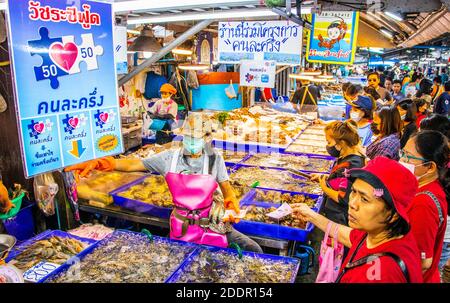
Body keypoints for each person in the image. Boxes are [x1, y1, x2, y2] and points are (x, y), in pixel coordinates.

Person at [65, 113, 263, 253]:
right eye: (188, 137)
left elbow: (227, 191)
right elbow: (134, 165)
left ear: (207, 138)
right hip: (182, 228)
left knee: (252, 249)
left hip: (213, 225)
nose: (192, 142)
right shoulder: (169, 158)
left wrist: (231, 203)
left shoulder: (214, 159)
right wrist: (104, 162)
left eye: (196, 138)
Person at [293, 157, 423, 283]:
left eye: (365, 199)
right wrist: (311, 216)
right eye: (354, 192)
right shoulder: (379, 234)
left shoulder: (382, 273)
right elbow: (350, 236)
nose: (352, 203)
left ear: (393, 214)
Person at [400, 131, 449, 282]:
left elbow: (422, 261)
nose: (402, 159)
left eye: (408, 156)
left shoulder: (424, 203)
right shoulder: (422, 188)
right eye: (403, 153)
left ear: (430, 167)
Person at [312, 120, 366, 225]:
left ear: (341, 143)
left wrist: (324, 188)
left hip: (340, 217)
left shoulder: (351, 165)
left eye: (329, 142)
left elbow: (343, 198)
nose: (327, 146)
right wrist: (326, 177)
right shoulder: (349, 157)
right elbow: (342, 180)